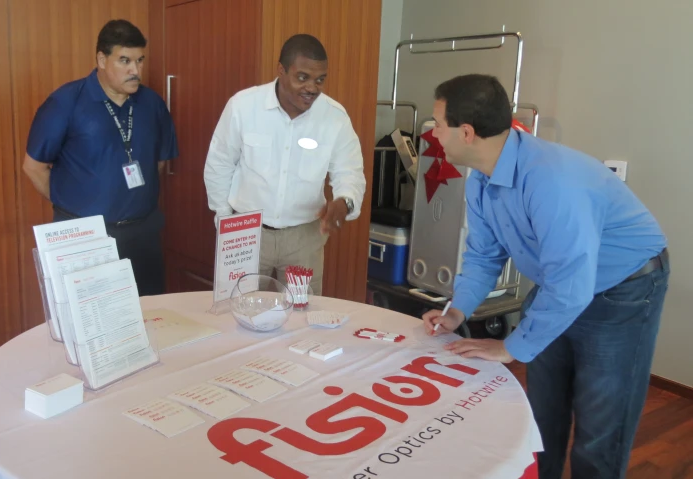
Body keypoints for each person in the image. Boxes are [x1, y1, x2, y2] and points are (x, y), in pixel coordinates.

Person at [421, 74, 669, 479]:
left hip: (625, 290)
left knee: (599, 429)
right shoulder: (481, 177)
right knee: (539, 418)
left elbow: (572, 282)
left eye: (438, 124)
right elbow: (484, 254)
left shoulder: (551, 179)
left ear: (466, 132)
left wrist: (510, 348)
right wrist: (458, 311)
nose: (433, 134)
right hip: (561, 286)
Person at [22, 19, 178, 296]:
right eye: (125, 60)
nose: (135, 70)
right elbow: (34, 167)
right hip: (86, 239)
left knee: (152, 319)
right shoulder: (66, 102)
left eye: (140, 60)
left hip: (143, 235)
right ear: (101, 59)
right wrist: (72, 208)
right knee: (94, 326)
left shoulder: (152, 104)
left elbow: (159, 163)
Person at [203, 34, 366, 294]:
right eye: (302, 77)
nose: (312, 87)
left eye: (320, 79)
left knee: (300, 321)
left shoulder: (335, 117)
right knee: (237, 315)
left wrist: (344, 202)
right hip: (246, 231)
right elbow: (219, 164)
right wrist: (225, 221)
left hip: (304, 238)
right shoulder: (243, 106)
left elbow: (350, 172)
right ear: (281, 70)